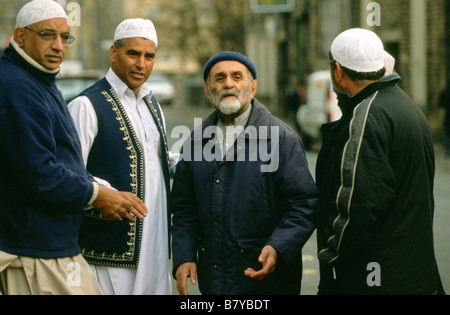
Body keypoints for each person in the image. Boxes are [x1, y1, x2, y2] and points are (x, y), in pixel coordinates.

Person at [0, 0, 147, 295]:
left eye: (65, 37)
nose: (58, 45)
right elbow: (40, 174)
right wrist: (97, 194)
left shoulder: (37, 78)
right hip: (34, 251)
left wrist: (97, 188)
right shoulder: (16, 85)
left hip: (51, 245)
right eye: (47, 35)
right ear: (20, 36)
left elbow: (63, 164)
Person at [171, 51, 318, 295]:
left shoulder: (282, 139)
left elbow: (304, 205)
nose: (228, 83)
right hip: (215, 282)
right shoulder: (195, 143)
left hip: (267, 281)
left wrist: (278, 246)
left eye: (236, 77)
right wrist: (184, 255)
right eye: (219, 78)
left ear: (252, 87)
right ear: (208, 91)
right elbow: (184, 209)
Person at [315, 28, 444, 295]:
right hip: (413, 272)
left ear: (338, 70)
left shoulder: (367, 115)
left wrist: (331, 255)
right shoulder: (405, 105)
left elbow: (357, 206)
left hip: (377, 278)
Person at [68, 18, 175, 295]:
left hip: (155, 248)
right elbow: (68, 172)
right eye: (133, 54)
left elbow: (154, 162)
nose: (142, 64)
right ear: (114, 54)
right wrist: (103, 193)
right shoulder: (86, 105)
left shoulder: (153, 104)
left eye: (149, 56)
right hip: (107, 252)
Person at [439, 81, 450, 157]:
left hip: (447, 114)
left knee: (447, 131)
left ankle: (448, 150)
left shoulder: (445, 92)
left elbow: (440, 104)